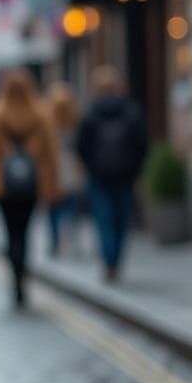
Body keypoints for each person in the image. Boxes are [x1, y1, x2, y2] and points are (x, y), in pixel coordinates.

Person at [0, 68, 58, 309]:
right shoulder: (41, 113)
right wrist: (53, 186)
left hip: (3, 186)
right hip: (32, 184)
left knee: (11, 233)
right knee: (26, 232)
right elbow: (51, 154)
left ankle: (16, 280)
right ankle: (23, 275)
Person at [77, 65, 147, 283]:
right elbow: (142, 143)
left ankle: (109, 264)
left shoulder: (90, 112)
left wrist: (91, 167)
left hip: (99, 177)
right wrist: (135, 170)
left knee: (104, 221)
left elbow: (81, 146)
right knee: (121, 221)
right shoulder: (131, 110)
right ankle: (116, 261)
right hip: (125, 176)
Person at [44, 81, 84, 257]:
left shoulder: (47, 124)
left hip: (53, 172)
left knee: (53, 209)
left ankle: (55, 242)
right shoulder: (75, 123)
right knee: (71, 209)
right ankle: (72, 242)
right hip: (71, 172)